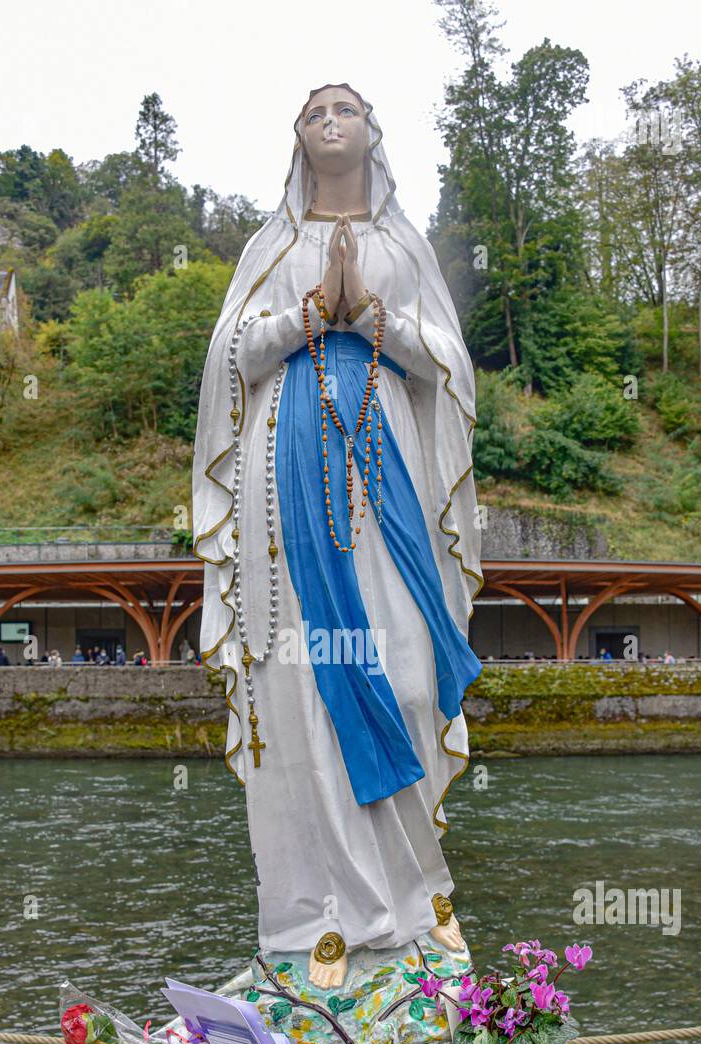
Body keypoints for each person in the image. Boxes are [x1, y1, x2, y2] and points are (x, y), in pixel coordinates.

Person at [194, 83, 482, 987]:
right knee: (300, 686)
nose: (330, 118)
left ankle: (412, 906)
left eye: (346, 107)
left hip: (386, 463)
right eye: (314, 109)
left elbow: (452, 367)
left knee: (400, 673)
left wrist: (374, 320)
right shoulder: (268, 245)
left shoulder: (402, 244)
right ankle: (315, 921)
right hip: (286, 475)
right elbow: (225, 360)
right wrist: (307, 316)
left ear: (372, 132)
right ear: (295, 137)